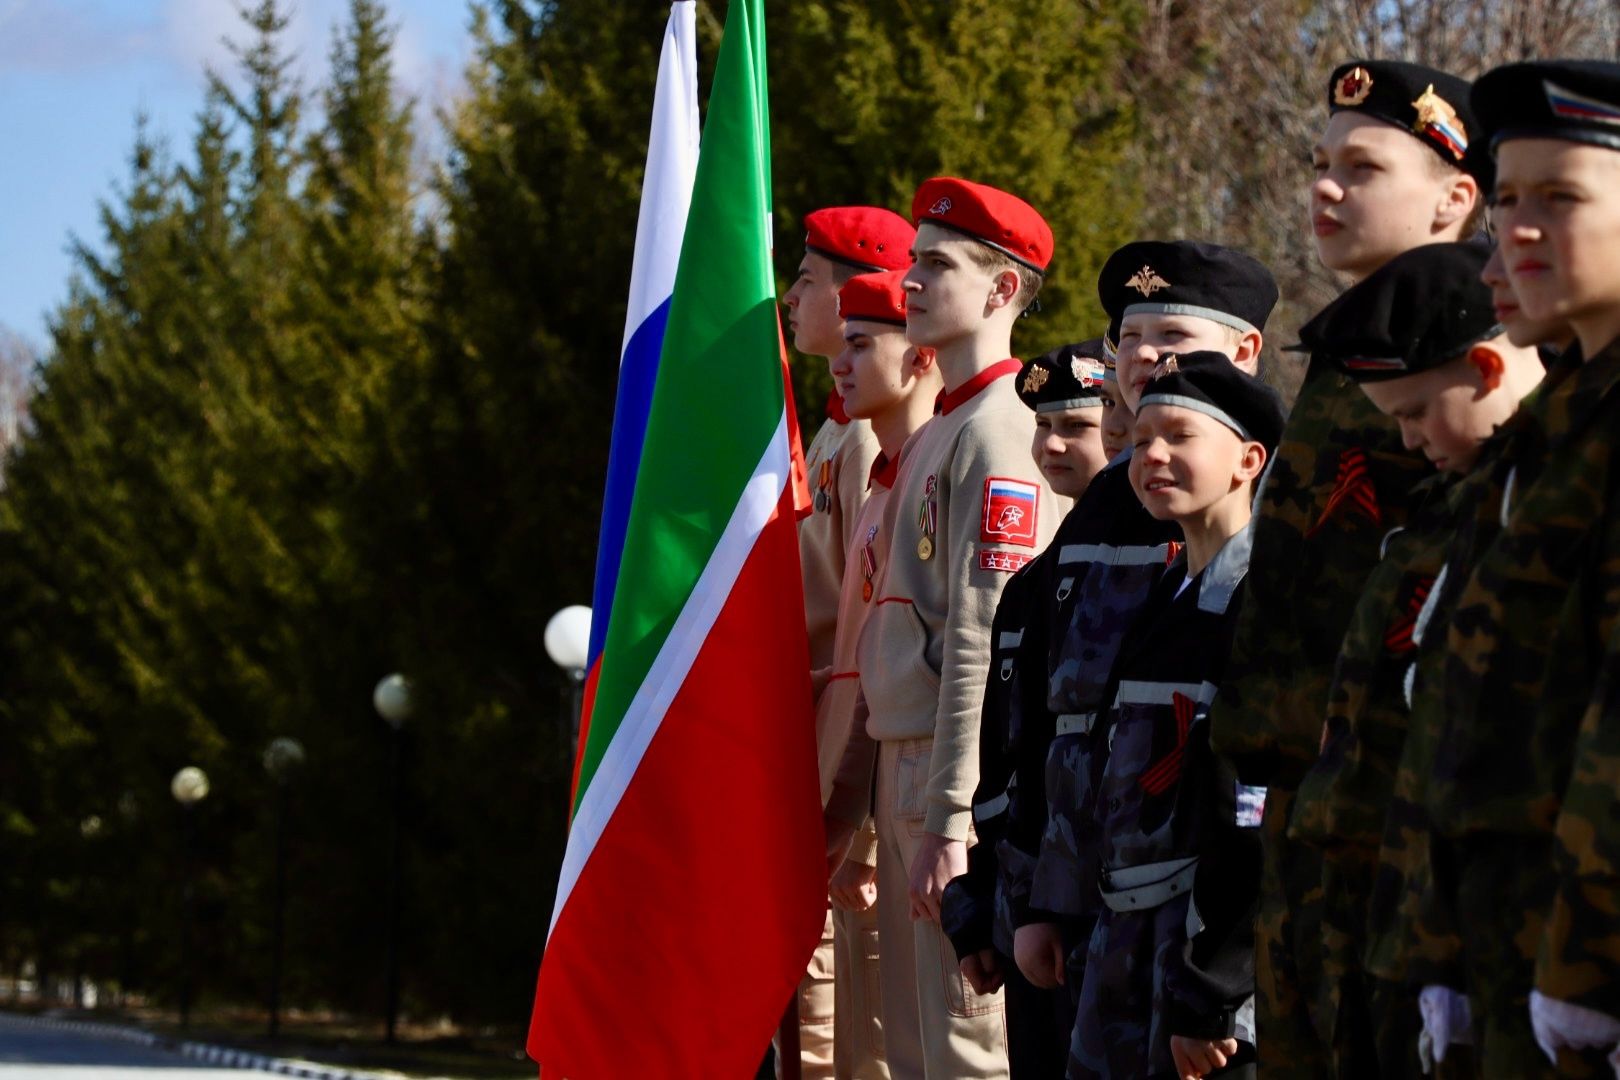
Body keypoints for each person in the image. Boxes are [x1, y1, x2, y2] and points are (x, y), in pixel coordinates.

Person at [1208, 60, 1493, 1073]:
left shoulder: (1476, 367)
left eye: (1363, 167)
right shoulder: (1343, 362)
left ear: (1454, 200)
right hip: (1305, 817)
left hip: (1399, 830)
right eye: (1320, 163)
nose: (1325, 187)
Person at [1281, 241, 1545, 1077]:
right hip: (1395, 913)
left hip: (1503, 928)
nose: (1405, 437)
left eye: (1419, 411)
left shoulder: (1539, 501)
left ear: (1485, 369)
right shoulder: (1450, 504)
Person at [1409, 57, 1620, 1076]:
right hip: (1511, 946)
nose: (1519, 230)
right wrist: (1444, 947)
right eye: (1508, 201)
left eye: (1561, 198)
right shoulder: (1555, 424)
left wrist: (1588, 967)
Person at [830, 176, 1065, 1079]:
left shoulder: (1000, 433)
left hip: (943, 765)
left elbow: (983, 641)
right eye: (915, 261)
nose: (912, 280)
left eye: (937, 265)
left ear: (1002, 289)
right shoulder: (940, 429)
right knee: (913, 1045)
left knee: (964, 1044)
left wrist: (953, 818)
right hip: (907, 759)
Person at [1017, 241, 1276, 1042]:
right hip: (1099, 911)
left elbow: (1253, 792)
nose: (1145, 357)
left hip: (1202, 935)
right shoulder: (1104, 505)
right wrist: (1043, 899)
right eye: (1128, 338)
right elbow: (1053, 718)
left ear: (1245, 351)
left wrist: (1221, 980)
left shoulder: (1274, 555)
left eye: (1171, 335)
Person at [1070, 351, 1286, 1080]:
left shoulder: (1263, 606)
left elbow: (1254, 815)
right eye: (1140, 440)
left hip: (1204, 960)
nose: (1152, 455)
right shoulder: (1163, 596)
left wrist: (1216, 988)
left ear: (1249, 460)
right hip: (1125, 944)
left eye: (1179, 436)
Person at [941, 341, 1112, 1078]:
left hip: (1103, 910)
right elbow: (1006, 764)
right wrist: (981, 898)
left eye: (1076, 425)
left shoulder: (1159, 569)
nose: (1052, 444)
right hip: (1027, 904)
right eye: (1043, 426)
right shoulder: (1029, 587)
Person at [786, 204, 916, 1079]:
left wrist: (851, 814)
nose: (790, 298)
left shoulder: (872, 433)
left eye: (807, 279)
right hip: (821, 735)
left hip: (853, 750)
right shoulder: (841, 425)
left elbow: (863, 620)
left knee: (847, 1008)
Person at [814, 267, 943, 1080]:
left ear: (920, 356)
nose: (840, 360)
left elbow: (959, 659)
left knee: (940, 1046)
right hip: (867, 790)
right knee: (884, 1047)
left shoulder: (935, 467)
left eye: (862, 343)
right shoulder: (883, 480)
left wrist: (859, 834)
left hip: (919, 801)